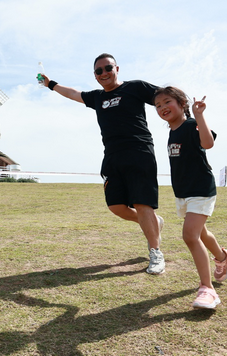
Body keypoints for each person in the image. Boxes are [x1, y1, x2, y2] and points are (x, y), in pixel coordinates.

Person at [41, 53, 165, 275]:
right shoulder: (97, 97)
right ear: (95, 76)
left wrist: (186, 116)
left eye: (108, 68)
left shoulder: (135, 87)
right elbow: (74, 94)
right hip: (112, 157)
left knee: (142, 203)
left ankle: (155, 252)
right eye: (99, 71)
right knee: (116, 206)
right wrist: (50, 84)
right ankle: (153, 223)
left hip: (139, 152)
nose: (104, 73)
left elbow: (165, 96)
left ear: (117, 68)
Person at [153, 86, 227, 309]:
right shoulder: (172, 132)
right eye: (158, 105)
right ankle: (222, 256)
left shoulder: (191, 124)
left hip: (200, 189)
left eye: (167, 102)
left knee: (190, 235)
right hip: (183, 192)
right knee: (200, 232)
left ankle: (207, 289)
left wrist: (199, 115)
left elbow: (208, 143)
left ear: (181, 104)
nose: (162, 107)